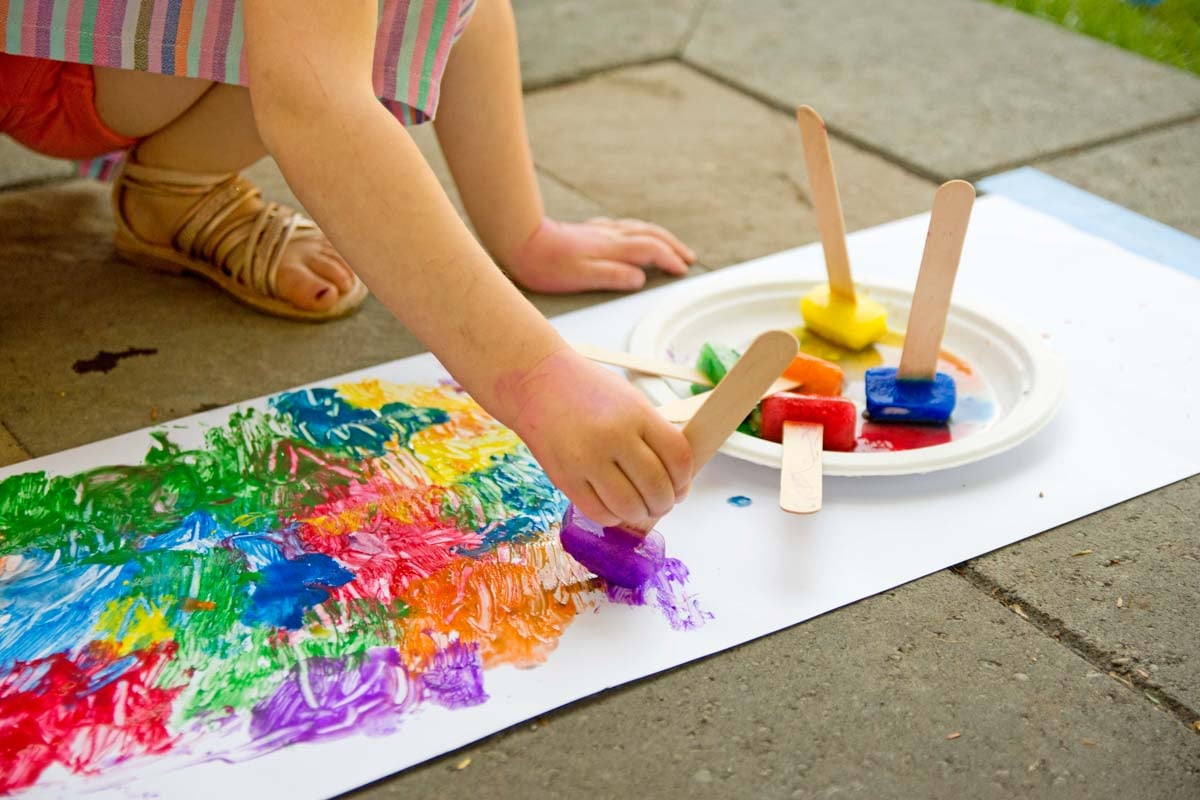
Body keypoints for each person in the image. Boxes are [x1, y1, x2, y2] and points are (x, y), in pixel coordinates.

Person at [0, 0, 696, 529]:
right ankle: (178, 183)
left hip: (82, 54)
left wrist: (523, 234)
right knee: (328, 38)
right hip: (37, 63)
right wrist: (536, 380)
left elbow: (469, 12)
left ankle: (174, 187)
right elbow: (315, 104)